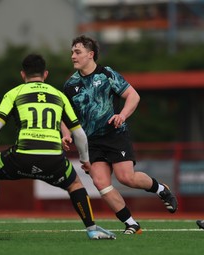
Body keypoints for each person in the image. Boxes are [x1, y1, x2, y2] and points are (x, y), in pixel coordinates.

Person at [0, 53, 116, 241]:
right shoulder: (59, 96)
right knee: (75, 184)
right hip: (53, 159)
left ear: (23, 75)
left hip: (21, 157)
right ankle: (92, 228)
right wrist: (85, 161)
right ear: (45, 74)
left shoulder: (14, 93)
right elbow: (79, 134)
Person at [61, 35, 178, 235]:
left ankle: (160, 189)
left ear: (90, 55)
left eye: (77, 52)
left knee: (126, 178)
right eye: (72, 52)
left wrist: (121, 115)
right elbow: (65, 116)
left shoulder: (107, 74)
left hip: (115, 135)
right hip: (92, 141)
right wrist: (66, 134)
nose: (73, 56)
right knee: (101, 184)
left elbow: (133, 95)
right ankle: (132, 224)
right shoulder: (70, 85)